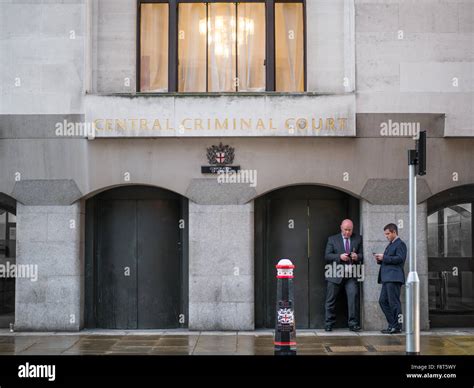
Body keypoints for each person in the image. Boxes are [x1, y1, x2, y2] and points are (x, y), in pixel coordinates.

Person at [324, 219, 363, 331]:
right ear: (341, 227)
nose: (347, 232)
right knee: (330, 300)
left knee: (353, 298)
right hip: (335, 274)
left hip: (351, 275)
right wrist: (339, 257)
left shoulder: (358, 238)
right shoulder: (332, 239)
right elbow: (327, 256)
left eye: (349, 230)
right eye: (345, 229)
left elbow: (362, 254)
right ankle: (328, 323)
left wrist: (357, 257)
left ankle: (353, 323)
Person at [374, 223, 407, 334]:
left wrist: (384, 257)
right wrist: (380, 259)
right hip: (387, 278)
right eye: (385, 234)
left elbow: (400, 259)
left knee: (394, 303)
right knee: (382, 301)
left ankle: (397, 326)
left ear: (394, 232)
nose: (386, 236)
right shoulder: (390, 244)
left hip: (394, 278)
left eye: (388, 234)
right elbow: (390, 259)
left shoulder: (400, 244)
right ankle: (392, 324)